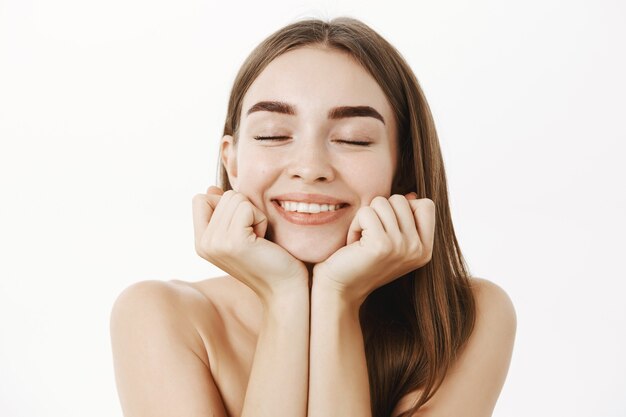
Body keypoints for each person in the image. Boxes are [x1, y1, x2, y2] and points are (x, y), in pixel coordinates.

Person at [110, 17, 516, 417]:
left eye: (352, 138)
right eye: (272, 134)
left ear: (403, 166)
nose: (309, 166)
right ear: (231, 162)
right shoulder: (158, 316)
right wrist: (284, 295)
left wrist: (337, 297)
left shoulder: (468, 318)